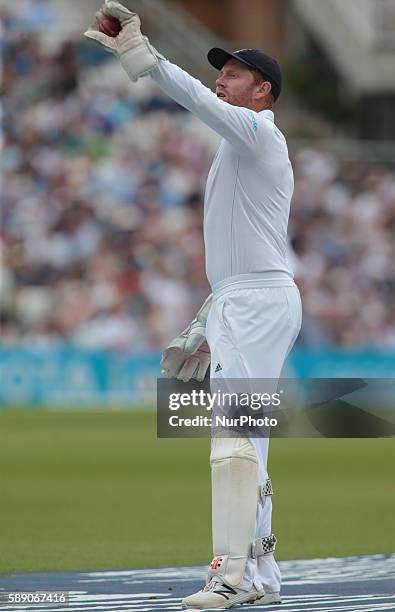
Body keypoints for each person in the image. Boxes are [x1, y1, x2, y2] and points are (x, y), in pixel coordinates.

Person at [85, 2, 302, 608]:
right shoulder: (239, 145)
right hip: (246, 298)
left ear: (262, 91)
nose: (221, 79)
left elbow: (199, 104)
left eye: (233, 74)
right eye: (221, 71)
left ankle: (229, 577)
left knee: (232, 436)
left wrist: (145, 58)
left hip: (258, 301)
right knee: (248, 442)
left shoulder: (258, 130)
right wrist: (211, 317)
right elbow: (240, 251)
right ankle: (260, 578)